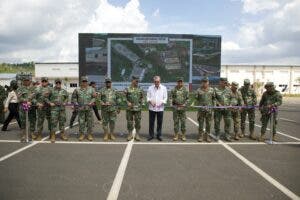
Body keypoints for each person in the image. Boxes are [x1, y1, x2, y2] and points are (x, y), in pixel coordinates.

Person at [71, 76, 96, 141]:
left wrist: (91, 102)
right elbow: (74, 98)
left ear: (87, 82)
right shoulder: (77, 90)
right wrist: (76, 103)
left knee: (89, 122)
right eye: (83, 81)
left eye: (86, 81)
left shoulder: (91, 89)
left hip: (89, 108)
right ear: (81, 82)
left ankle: (89, 134)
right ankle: (82, 134)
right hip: (81, 108)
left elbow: (94, 97)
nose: (84, 83)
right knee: (81, 122)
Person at [147, 76, 168, 141]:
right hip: (152, 108)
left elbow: (165, 97)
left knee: (159, 122)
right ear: (153, 82)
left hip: (160, 109)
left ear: (160, 81)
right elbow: (148, 97)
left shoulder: (164, 88)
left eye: (158, 81)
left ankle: (159, 135)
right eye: (155, 82)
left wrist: (162, 103)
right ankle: (151, 135)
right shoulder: (150, 88)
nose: (156, 83)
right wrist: (150, 101)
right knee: (151, 122)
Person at [16, 76, 37, 142]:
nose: (26, 81)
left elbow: (35, 97)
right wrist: (26, 101)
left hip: (31, 107)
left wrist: (32, 102)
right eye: (25, 80)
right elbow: (19, 98)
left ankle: (32, 133)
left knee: (33, 120)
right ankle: (23, 135)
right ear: (23, 81)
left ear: (30, 81)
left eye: (28, 80)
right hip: (23, 107)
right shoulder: (19, 89)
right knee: (23, 121)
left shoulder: (33, 88)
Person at [195, 77, 215, 142]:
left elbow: (214, 99)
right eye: (203, 82)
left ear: (208, 82)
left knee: (208, 124)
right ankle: (200, 136)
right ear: (201, 83)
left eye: (206, 82)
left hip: (209, 110)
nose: (204, 83)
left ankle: (208, 136)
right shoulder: (198, 90)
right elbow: (196, 99)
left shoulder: (212, 90)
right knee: (201, 124)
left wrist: (213, 107)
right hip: (201, 110)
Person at [49, 79, 69, 143]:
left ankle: (62, 134)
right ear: (55, 83)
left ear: (60, 83)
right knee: (53, 123)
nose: (58, 84)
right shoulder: (51, 90)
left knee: (62, 122)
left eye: (59, 83)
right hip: (54, 109)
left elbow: (67, 97)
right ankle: (53, 135)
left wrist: (65, 102)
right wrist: (50, 103)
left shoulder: (64, 91)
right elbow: (45, 98)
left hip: (62, 109)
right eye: (57, 83)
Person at [124, 76, 144, 141]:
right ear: (132, 80)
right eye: (136, 81)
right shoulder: (127, 89)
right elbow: (123, 97)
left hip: (137, 108)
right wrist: (127, 102)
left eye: (137, 81)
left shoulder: (140, 89)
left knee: (138, 121)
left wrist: (141, 104)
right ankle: (130, 134)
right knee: (129, 122)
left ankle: (137, 134)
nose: (137, 82)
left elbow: (142, 97)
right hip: (129, 108)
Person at [170, 77, 189, 141]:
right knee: (176, 122)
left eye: (181, 82)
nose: (180, 83)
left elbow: (188, 99)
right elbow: (171, 98)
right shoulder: (173, 90)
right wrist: (171, 104)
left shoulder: (185, 90)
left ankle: (183, 135)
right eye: (179, 82)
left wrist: (185, 104)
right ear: (177, 82)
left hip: (183, 109)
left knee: (183, 122)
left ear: (182, 82)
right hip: (176, 108)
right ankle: (176, 135)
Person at [214, 77, 233, 141]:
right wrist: (218, 104)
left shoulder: (229, 89)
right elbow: (213, 98)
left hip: (227, 109)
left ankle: (227, 135)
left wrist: (231, 104)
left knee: (228, 122)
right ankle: (217, 134)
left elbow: (232, 98)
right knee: (217, 122)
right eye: (224, 82)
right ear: (220, 82)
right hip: (218, 109)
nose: (225, 83)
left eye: (226, 82)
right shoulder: (216, 89)